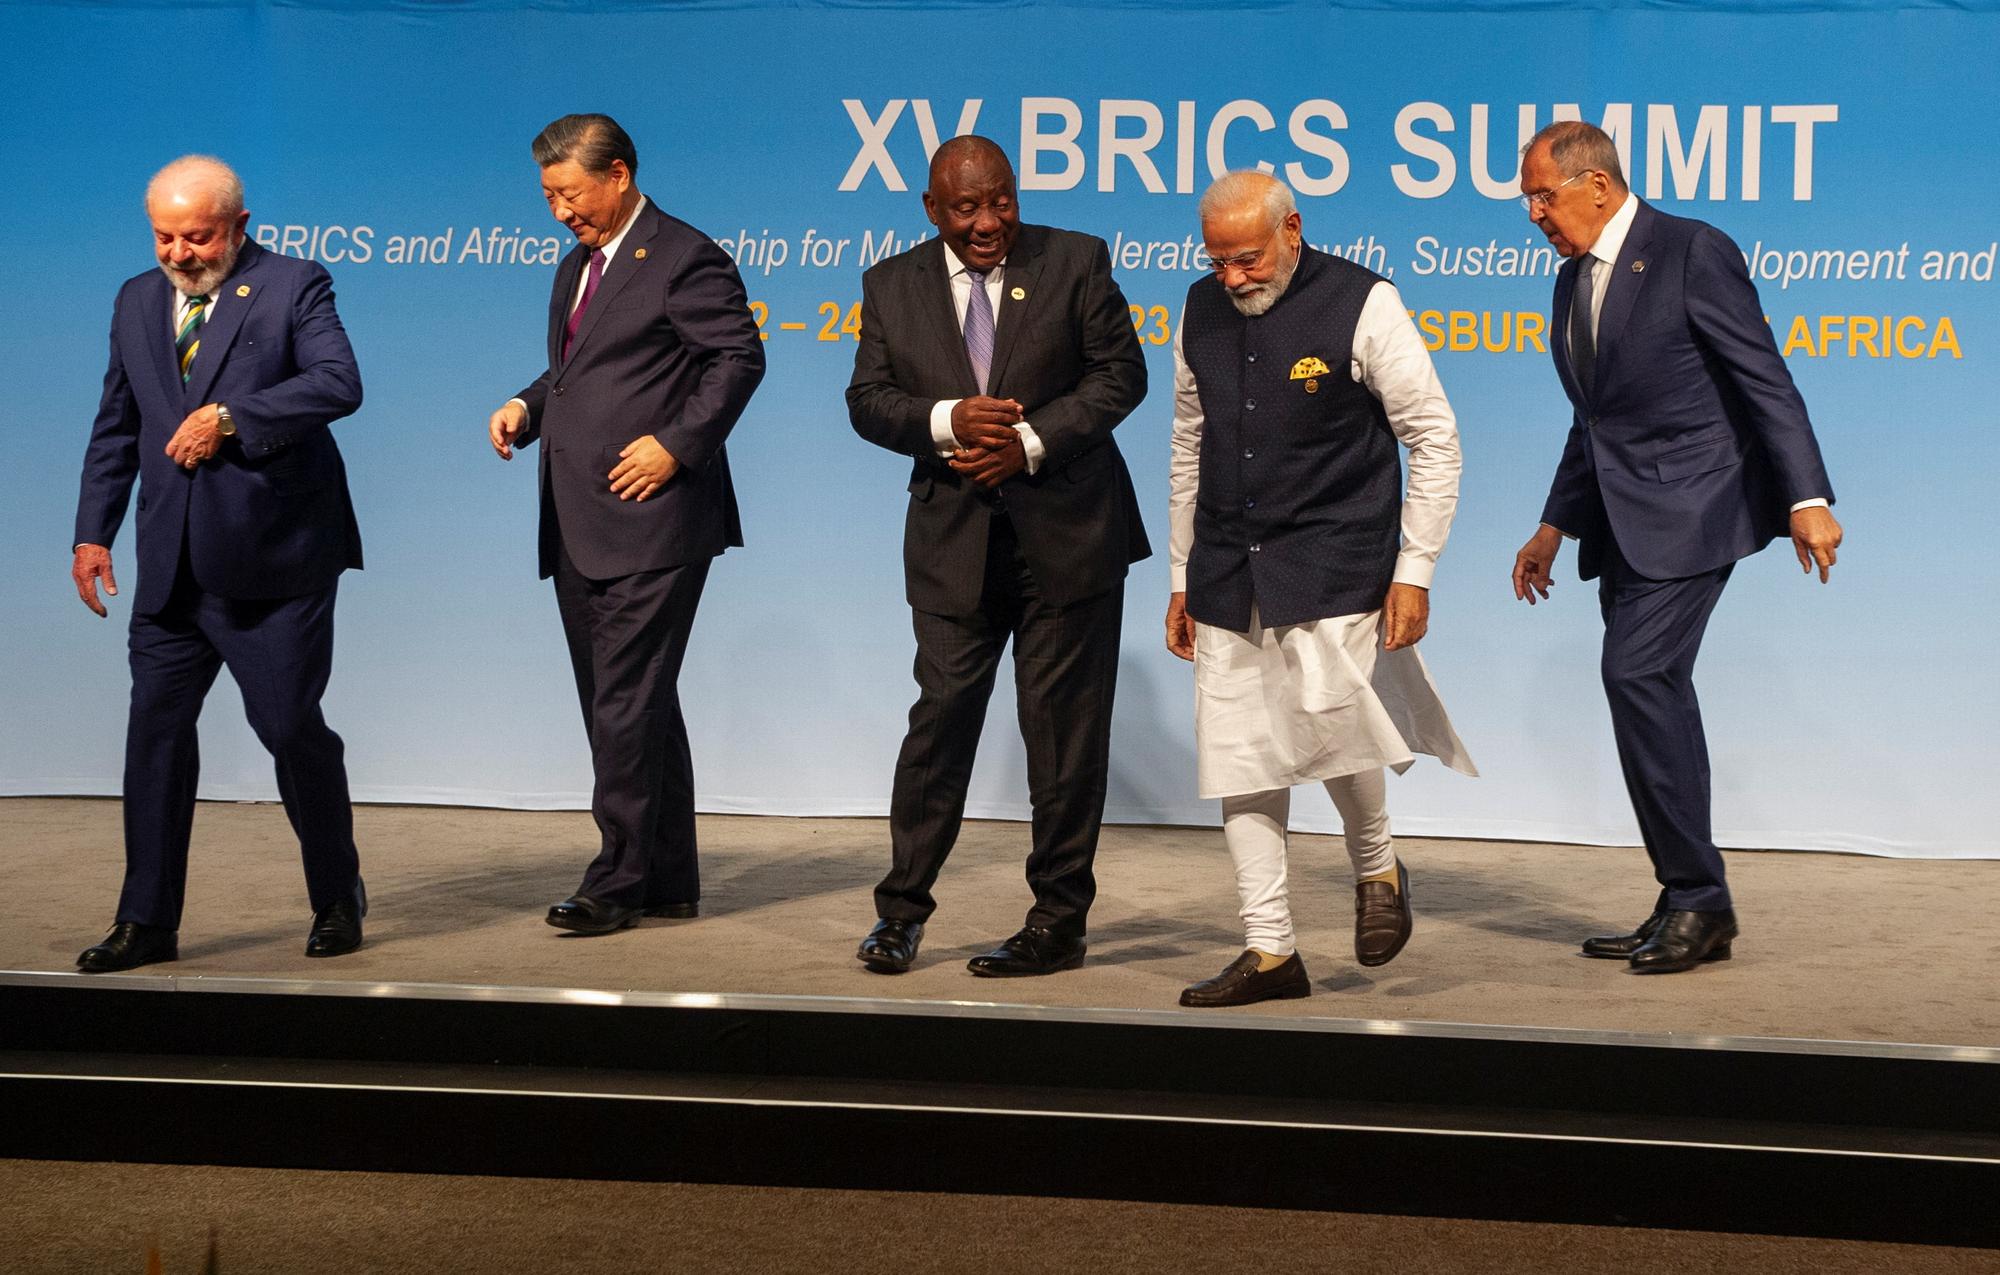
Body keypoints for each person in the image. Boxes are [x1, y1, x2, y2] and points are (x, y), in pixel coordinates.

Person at [1510, 121, 1843, 974]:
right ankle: (1684, 896)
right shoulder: (1569, 279)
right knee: (1652, 691)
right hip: (1623, 520)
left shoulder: (1692, 250)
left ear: (1597, 184)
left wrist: (1808, 496)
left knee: (1636, 674)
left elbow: (1764, 375)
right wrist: (1555, 523)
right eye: (1529, 202)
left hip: (1698, 504)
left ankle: (1700, 896)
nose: (1536, 214)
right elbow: (1595, 419)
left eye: (1543, 196)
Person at [1165, 171, 1476, 1008]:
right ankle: (1270, 951)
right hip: (1227, 565)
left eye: (1249, 259)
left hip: (1337, 561)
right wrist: (1179, 573)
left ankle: (1377, 863)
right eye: (1219, 262)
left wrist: (1415, 570)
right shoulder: (1197, 311)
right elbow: (1189, 444)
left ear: (1292, 229)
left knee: (1335, 728)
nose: (1233, 278)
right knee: (1240, 757)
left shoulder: (1365, 303)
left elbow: (1434, 439)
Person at [846, 135, 1149, 977]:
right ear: (932, 210)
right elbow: (868, 402)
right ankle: (900, 913)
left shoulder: (1077, 260)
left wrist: (1030, 441)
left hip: (1070, 539)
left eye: (1001, 200)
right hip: (954, 547)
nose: (989, 223)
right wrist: (946, 422)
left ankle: (1058, 921)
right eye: (968, 208)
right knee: (940, 725)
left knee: (1064, 741)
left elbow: (1122, 376)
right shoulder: (889, 284)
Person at [71, 155, 367, 972]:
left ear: (238, 226)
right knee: (155, 739)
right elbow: (116, 423)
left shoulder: (293, 284)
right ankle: (147, 920)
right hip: (169, 566)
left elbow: (340, 384)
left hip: (274, 562)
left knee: (286, 728)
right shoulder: (137, 299)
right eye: (164, 236)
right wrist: (92, 531)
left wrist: (231, 419)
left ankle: (338, 892)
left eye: (196, 236)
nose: (178, 252)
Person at [486, 114, 764, 935]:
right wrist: (527, 405)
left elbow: (739, 357)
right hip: (579, 517)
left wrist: (677, 447)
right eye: (547, 197)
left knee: (623, 702)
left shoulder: (685, 255)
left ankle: (614, 880)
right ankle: (667, 876)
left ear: (619, 175)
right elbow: (579, 373)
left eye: (569, 193)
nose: (560, 211)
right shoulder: (578, 266)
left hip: (655, 517)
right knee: (632, 702)